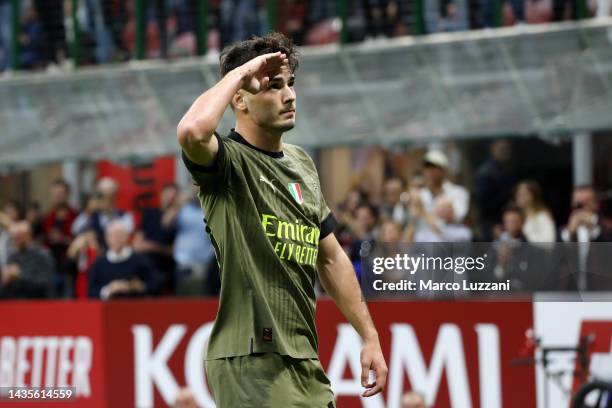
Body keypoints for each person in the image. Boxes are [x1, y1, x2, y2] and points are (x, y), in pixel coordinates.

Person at [177, 32, 387, 407]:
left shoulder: (302, 163)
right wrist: (242, 73)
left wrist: (368, 336)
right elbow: (192, 130)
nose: (289, 95)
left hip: (304, 358)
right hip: (250, 358)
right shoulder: (227, 163)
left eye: (290, 84)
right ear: (239, 98)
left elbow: (331, 257)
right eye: (273, 86)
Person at [88, 220, 157, 300]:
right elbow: (91, 292)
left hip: (135, 307)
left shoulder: (141, 260)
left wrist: (133, 287)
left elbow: (154, 286)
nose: (117, 239)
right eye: (113, 236)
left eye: (120, 235)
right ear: (107, 238)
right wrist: (108, 290)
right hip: (108, 309)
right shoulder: (99, 264)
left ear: (127, 237)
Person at [133, 182, 179, 293]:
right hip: (146, 265)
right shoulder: (150, 214)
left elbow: (175, 250)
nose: (169, 199)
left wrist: (152, 247)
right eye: (167, 195)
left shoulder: (179, 219)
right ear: (161, 195)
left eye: (172, 197)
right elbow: (137, 243)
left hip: (167, 268)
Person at [0, 221, 55, 299]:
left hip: (37, 305)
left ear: (29, 235)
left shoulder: (42, 255)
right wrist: (5, 281)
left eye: (19, 237)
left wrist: (19, 276)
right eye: (13, 237)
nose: (15, 241)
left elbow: (45, 285)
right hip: (14, 305)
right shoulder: (13, 257)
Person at [474, 139, 516, 241]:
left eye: (507, 149)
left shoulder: (505, 168)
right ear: (493, 149)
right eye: (502, 149)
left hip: (504, 219)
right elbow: (483, 200)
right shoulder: (486, 171)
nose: (505, 152)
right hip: (491, 221)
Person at [419, 149, 469, 224]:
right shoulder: (419, 194)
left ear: (444, 169)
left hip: (452, 235)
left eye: (434, 166)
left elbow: (458, 216)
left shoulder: (459, 192)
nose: (430, 170)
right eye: (427, 167)